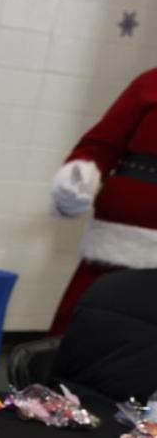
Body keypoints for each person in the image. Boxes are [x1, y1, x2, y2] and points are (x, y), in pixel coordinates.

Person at [49, 68, 157, 335]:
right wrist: (78, 179)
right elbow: (99, 146)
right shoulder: (150, 83)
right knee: (79, 336)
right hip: (112, 248)